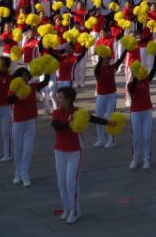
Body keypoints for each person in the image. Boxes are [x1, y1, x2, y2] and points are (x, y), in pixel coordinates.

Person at [50, 86, 111, 225]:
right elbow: (57, 127)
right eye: (58, 97)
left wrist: (109, 122)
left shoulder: (79, 112)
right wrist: (70, 122)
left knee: (71, 182)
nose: (58, 100)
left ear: (69, 99)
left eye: (60, 97)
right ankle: (67, 208)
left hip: (75, 151)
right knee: (61, 183)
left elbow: (93, 119)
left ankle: (75, 211)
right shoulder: (56, 112)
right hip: (59, 151)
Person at [8, 67, 51, 186]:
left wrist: (48, 68)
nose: (25, 77)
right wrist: (18, 94)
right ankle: (17, 173)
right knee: (18, 150)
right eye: (22, 75)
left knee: (28, 150)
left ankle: (25, 174)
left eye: (26, 75)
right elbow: (9, 100)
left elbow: (45, 82)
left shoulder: (32, 87)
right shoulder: (13, 88)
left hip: (30, 122)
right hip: (17, 122)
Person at [127, 54, 156, 169]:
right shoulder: (130, 85)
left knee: (147, 137)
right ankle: (135, 159)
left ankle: (146, 159)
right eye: (137, 70)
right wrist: (136, 74)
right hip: (135, 113)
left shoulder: (146, 80)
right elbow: (133, 85)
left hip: (147, 111)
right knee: (136, 137)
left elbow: (154, 70)